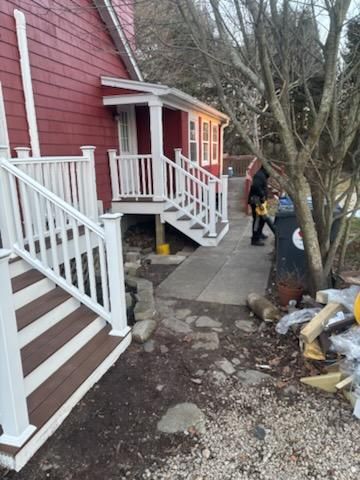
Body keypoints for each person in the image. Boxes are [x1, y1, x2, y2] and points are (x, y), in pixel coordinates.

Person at [248, 166, 275, 246]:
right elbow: (255, 186)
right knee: (257, 220)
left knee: (262, 220)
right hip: (256, 201)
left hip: (261, 201)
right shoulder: (259, 176)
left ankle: (260, 233)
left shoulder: (262, 175)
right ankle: (255, 239)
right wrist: (262, 194)